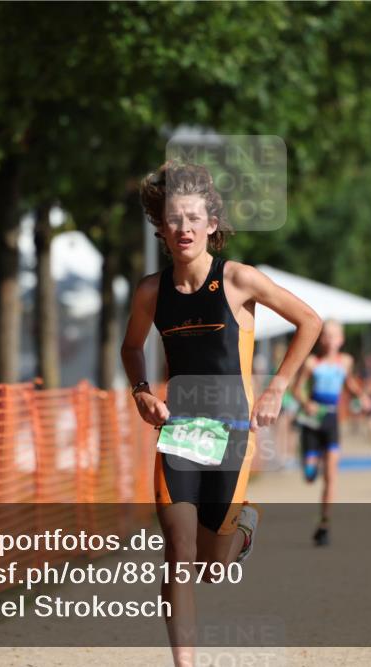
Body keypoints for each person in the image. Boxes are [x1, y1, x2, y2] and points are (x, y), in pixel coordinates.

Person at [120, 160, 321, 667]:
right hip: (179, 434)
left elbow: (310, 321)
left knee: (213, 566)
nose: (183, 228)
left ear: (211, 223)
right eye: (174, 219)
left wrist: (277, 389)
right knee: (178, 552)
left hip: (232, 436)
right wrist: (141, 392)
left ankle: (244, 524)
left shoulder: (238, 280)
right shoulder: (151, 291)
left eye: (193, 218)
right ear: (161, 226)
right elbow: (131, 347)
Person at [292, 319, 361, 546]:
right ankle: (309, 463)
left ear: (341, 339)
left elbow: (349, 384)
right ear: (321, 339)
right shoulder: (312, 363)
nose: (330, 339)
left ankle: (324, 524)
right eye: (327, 335)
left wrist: (362, 396)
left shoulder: (346, 362)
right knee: (310, 476)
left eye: (335, 335)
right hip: (312, 421)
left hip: (331, 420)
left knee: (331, 476)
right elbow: (297, 389)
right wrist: (306, 403)